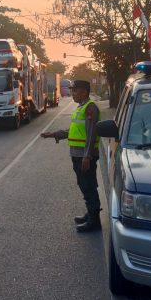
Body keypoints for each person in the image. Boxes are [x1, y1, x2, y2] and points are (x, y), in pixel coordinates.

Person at [41, 79, 102, 232]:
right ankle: (91, 213)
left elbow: (91, 134)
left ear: (84, 92)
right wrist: (54, 134)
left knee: (88, 186)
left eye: (75, 90)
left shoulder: (90, 108)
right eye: (72, 90)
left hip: (84, 156)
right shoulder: (80, 108)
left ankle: (94, 221)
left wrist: (87, 156)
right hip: (77, 154)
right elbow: (73, 131)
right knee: (84, 185)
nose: (72, 93)